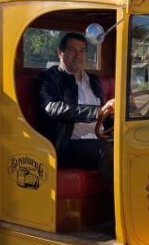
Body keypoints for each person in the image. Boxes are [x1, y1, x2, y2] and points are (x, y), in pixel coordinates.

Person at [36, 32, 115, 191]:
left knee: (132, 144)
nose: (78, 55)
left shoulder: (93, 80)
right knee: (104, 148)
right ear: (60, 53)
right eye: (72, 50)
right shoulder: (49, 77)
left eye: (82, 50)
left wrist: (115, 113)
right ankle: (118, 204)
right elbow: (53, 107)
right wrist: (97, 112)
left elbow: (105, 118)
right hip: (66, 146)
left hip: (100, 138)